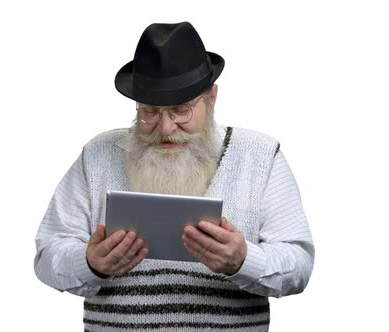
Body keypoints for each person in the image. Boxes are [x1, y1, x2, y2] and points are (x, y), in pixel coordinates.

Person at [34, 21, 314, 331]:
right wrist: (89, 264)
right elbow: (47, 255)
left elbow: (299, 265)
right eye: (150, 111)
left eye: (181, 109)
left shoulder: (260, 155)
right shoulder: (99, 154)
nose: (166, 128)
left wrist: (244, 260)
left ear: (211, 98)